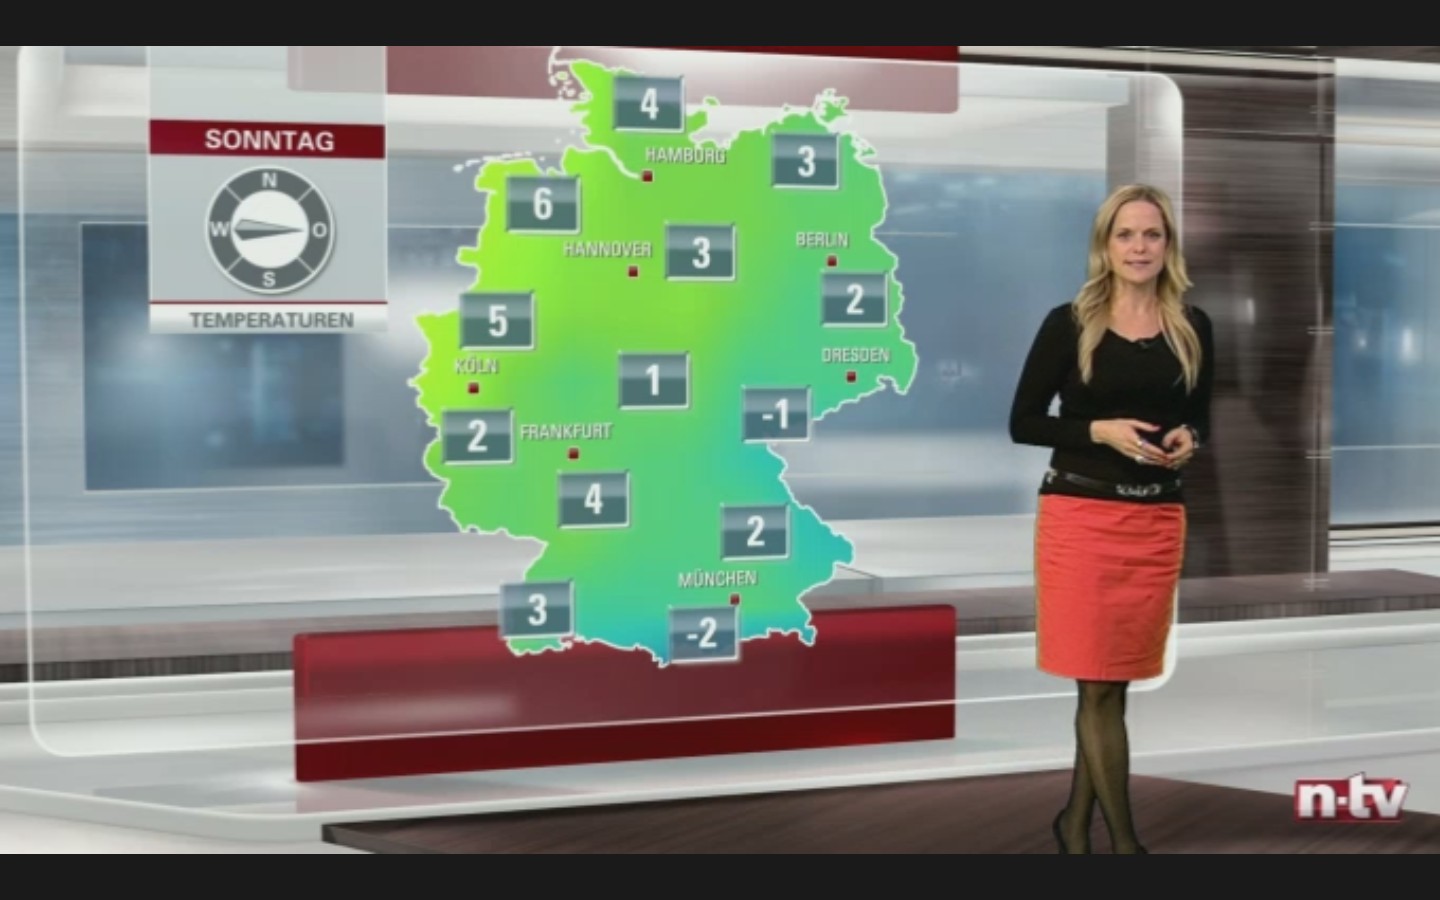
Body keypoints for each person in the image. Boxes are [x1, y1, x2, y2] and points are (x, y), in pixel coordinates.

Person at [1008, 183, 1214, 854]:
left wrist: (1189, 438)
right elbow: (1023, 422)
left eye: (1152, 234)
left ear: (1168, 245)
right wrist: (1098, 429)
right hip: (1082, 518)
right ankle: (1126, 847)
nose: (1139, 247)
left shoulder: (1192, 325)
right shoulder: (1069, 323)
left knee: (1111, 686)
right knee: (1097, 686)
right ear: (1105, 245)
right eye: (1125, 234)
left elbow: (1199, 416)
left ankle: (1074, 825)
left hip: (1155, 523)